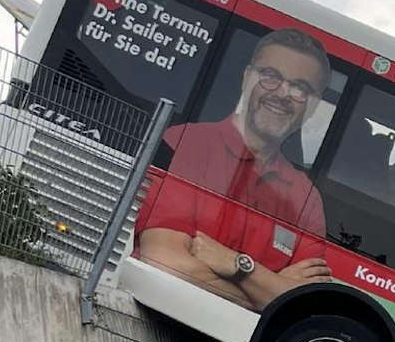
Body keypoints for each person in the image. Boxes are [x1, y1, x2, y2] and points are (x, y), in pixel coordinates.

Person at [134, 27, 336, 312]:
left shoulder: (307, 200)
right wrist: (270, 290)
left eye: (300, 88)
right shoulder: (187, 143)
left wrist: (236, 264)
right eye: (270, 76)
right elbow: (164, 262)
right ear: (247, 77)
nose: (282, 93)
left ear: (313, 105)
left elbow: (303, 308)